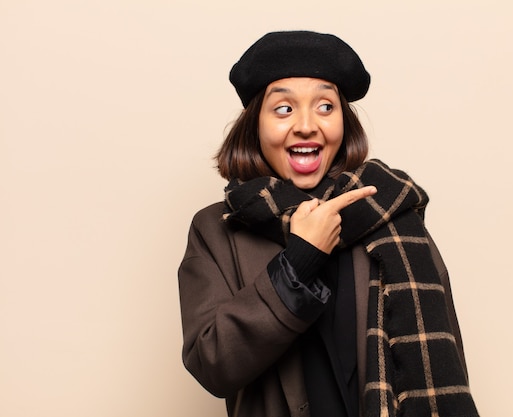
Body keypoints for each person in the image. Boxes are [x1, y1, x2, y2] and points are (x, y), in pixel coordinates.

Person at [178, 30, 479, 417]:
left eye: (325, 106)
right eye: (283, 109)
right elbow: (212, 362)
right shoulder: (217, 228)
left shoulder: (391, 213)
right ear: (255, 126)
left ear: (343, 123)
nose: (306, 125)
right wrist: (298, 260)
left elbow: (446, 358)